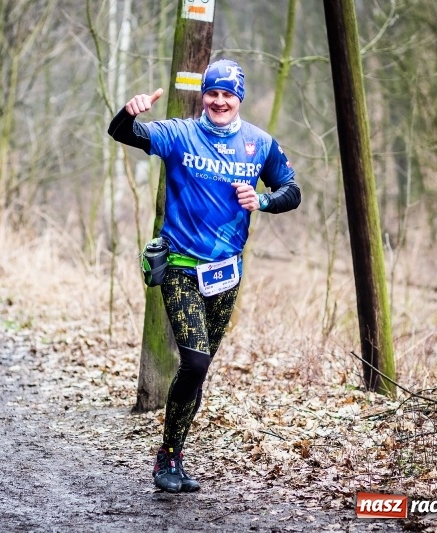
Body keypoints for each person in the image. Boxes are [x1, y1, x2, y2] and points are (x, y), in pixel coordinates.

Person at [108, 59, 301, 493]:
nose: (219, 101)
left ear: (239, 99)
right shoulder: (179, 134)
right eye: (212, 93)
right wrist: (130, 111)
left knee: (198, 369)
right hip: (180, 264)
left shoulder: (259, 144)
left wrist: (263, 202)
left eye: (227, 94)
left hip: (226, 272)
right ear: (204, 96)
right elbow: (121, 132)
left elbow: (292, 191)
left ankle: (173, 454)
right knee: (194, 359)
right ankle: (167, 458)